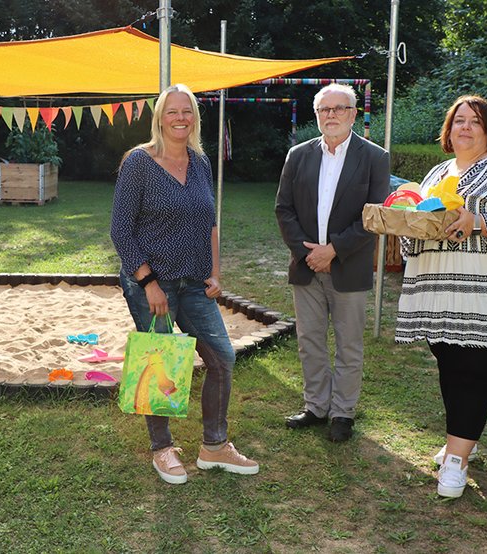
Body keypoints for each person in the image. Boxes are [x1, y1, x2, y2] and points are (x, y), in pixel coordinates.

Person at [110, 84, 258, 485]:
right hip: (152, 282)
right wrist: (148, 282)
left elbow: (208, 220)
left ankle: (214, 446)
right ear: (160, 118)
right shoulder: (139, 163)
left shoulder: (200, 163)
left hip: (195, 282)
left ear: (194, 117)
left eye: (187, 112)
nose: (180, 118)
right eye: (172, 112)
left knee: (222, 358)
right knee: (158, 363)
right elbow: (121, 230)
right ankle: (162, 449)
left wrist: (215, 270)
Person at [395, 95, 487, 498]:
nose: (465, 127)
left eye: (475, 122)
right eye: (458, 120)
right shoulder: (437, 172)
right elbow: (422, 221)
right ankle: (463, 440)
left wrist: (477, 221)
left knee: (476, 373)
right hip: (439, 291)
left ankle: (456, 460)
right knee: (450, 367)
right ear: (448, 129)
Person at [275, 83, 390, 442]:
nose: (332, 115)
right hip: (306, 265)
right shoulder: (298, 154)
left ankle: (342, 413)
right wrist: (307, 252)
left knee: (349, 344)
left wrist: (334, 250)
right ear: (317, 115)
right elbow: (284, 208)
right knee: (310, 341)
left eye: (340, 109)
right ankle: (316, 406)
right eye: (325, 110)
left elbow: (376, 216)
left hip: (349, 266)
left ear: (354, 114)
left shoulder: (374, 157)